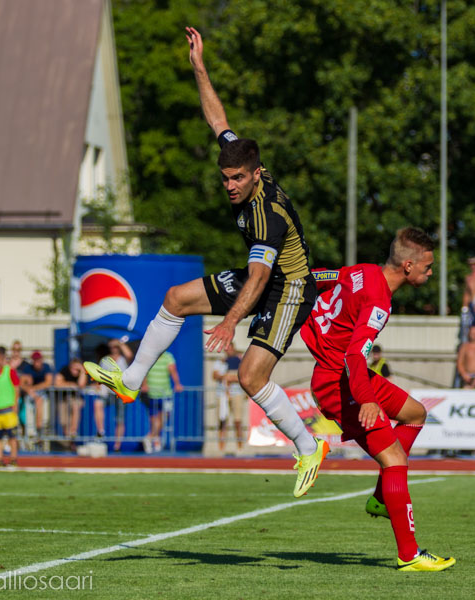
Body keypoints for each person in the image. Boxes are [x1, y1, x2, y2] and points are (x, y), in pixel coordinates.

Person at [84, 27, 326, 497]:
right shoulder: (242, 162)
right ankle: (131, 380)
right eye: (225, 177)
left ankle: (308, 445)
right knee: (176, 298)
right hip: (263, 278)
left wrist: (229, 322)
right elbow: (218, 120)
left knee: (250, 376)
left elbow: (258, 279)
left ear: (257, 174)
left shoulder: (266, 217)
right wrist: (199, 66)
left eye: (238, 178)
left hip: (289, 288)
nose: (230, 185)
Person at [300, 227, 454, 571]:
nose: (430, 273)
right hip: (339, 381)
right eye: (428, 267)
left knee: (415, 414)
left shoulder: (362, 271)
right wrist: (367, 399)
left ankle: (385, 497)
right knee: (395, 459)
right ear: (409, 267)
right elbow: (355, 355)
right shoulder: (379, 301)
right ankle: (409, 554)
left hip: (349, 376)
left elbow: (321, 277)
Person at [141, 349, 183, 453]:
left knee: (165, 416)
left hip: (166, 393)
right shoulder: (150, 356)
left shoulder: (168, 356)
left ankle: (150, 437)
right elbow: (144, 372)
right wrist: (144, 385)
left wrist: (177, 384)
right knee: (153, 419)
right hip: (152, 393)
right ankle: (154, 439)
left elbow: (173, 370)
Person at [213, 343, 245, 452]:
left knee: (238, 421)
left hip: (236, 394)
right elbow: (215, 375)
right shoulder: (221, 362)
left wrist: (230, 377)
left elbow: (243, 376)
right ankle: (221, 448)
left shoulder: (239, 361)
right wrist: (226, 376)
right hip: (222, 395)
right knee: (222, 421)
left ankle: (240, 447)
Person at [19, 351, 53, 439]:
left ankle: (39, 430)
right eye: (35, 360)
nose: (37, 363)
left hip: (42, 394)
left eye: (38, 360)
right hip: (31, 395)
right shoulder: (27, 368)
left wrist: (33, 388)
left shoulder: (46, 367)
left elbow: (48, 383)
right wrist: (29, 387)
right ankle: (32, 433)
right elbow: (22, 384)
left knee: (39, 401)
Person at [54, 358, 87, 448]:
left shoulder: (82, 373)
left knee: (75, 407)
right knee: (63, 421)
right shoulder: (64, 370)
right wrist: (70, 384)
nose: (75, 371)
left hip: (75, 398)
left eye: (77, 369)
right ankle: (69, 441)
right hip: (63, 398)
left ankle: (73, 432)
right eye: (74, 368)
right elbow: (57, 383)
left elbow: (81, 385)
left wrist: (82, 371)